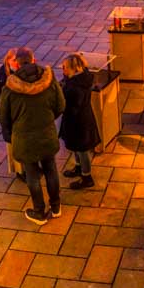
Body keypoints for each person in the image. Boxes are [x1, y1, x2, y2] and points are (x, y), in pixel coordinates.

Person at [0, 48, 65, 224]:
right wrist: (48, 119)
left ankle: (39, 211)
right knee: (51, 169)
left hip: (24, 139)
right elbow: (60, 105)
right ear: (33, 59)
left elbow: (3, 117)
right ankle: (56, 206)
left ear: (17, 64)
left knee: (32, 175)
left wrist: (13, 130)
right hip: (46, 133)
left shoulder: (10, 88)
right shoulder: (49, 80)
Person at [59, 53, 100, 190]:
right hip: (82, 119)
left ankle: (87, 177)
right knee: (76, 147)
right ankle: (78, 168)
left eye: (64, 67)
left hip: (78, 122)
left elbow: (70, 106)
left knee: (82, 150)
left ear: (73, 69)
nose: (62, 69)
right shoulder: (82, 78)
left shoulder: (74, 88)